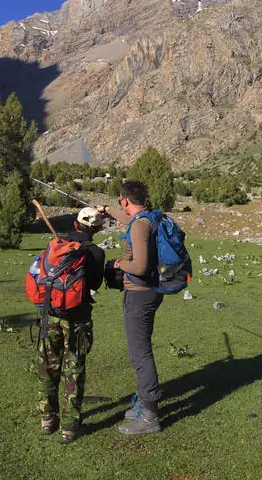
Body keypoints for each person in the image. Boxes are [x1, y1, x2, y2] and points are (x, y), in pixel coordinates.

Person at [31, 206, 105, 443]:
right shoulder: (96, 253)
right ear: (97, 229)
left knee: (47, 366)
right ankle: (69, 427)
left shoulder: (57, 245)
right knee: (74, 369)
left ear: (75, 224)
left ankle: (47, 419)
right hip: (78, 318)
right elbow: (95, 284)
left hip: (50, 313)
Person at [100, 180, 164, 436]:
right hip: (151, 291)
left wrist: (118, 264)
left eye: (120, 201)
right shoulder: (149, 218)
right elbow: (130, 221)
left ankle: (149, 416)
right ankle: (144, 403)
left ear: (125, 199)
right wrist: (107, 210)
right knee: (142, 350)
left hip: (139, 294)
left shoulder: (139, 225)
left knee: (140, 355)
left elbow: (139, 266)